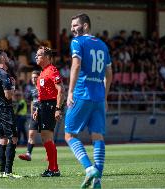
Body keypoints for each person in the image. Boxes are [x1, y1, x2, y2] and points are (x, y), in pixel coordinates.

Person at [64, 13, 112, 189]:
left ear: (85, 26)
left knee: (69, 135)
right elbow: (109, 74)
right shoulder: (102, 45)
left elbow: (76, 65)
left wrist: (69, 92)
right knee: (97, 136)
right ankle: (98, 180)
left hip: (82, 94)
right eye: (71, 26)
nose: (72, 29)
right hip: (99, 97)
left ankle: (89, 168)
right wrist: (105, 96)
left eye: (75, 25)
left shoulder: (77, 42)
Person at [0, 51, 21, 179]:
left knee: (3, 140)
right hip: (5, 110)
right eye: (6, 56)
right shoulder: (3, 74)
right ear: (2, 58)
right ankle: (9, 172)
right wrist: (13, 85)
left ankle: (2, 171)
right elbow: (8, 95)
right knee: (13, 138)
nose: (8, 57)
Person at [33, 46, 64, 177]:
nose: (36, 57)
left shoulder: (52, 70)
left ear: (47, 57)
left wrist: (58, 108)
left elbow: (61, 90)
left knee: (47, 136)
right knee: (45, 137)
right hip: (43, 106)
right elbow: (42, 94)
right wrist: (37, 109)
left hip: (50, 106)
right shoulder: (43, 72)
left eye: (39, 55)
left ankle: (54, 169)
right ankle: (52, 168)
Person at [18, 70, 40, 161]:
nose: (34, 79)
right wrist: (31, 114)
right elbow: (32, 102)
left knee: (46, 136)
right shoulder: (32, 90)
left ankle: (51, 155)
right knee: (31, 134)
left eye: (35, 77)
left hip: (43, 114)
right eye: (32, 77)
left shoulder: (43, 88)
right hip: (34, 116)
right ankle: (28, 154)